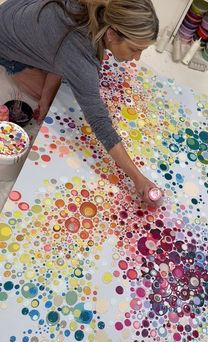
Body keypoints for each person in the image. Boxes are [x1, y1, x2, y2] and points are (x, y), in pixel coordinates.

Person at [0, 0, 161, 206]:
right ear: (111, 34)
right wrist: (138, 178)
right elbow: (100, 123)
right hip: (5, 39)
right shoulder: (79, 55)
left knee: (62, 85)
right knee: (65, 94)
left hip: (18, 8)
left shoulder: (99, 6)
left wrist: (46, 97)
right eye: (134, 49)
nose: (137, 58)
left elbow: (64, 52)